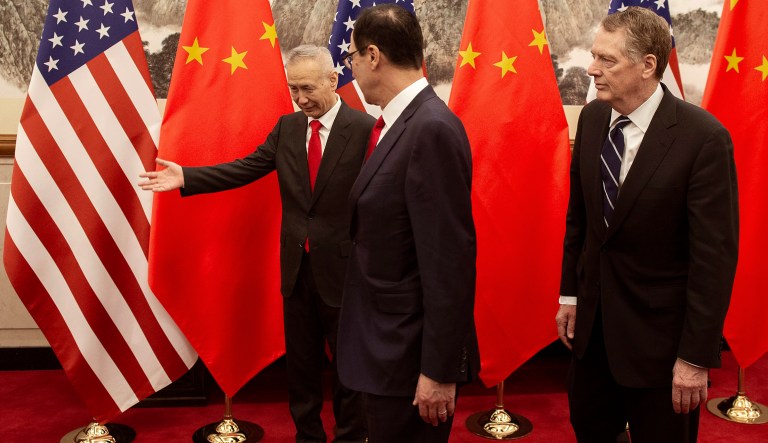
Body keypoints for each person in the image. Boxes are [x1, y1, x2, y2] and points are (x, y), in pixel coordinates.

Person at [139, 45, 373, 443]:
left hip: (345, 272)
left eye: (307, 88)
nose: (300, 99)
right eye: (293, 89)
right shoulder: (288, 128)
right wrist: (188, 178)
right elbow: (247, 167)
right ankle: (308, 437)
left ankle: (351, 437)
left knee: (350, 368)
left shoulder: (366, 129)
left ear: (333, 80)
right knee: (301, 369)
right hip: (296, 272)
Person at [555, 7, 738, 442]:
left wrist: (695, 358)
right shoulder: (595, 117)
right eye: (594, 55)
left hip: (662, 353)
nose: (592, 69)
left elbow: (713, 260)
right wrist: (570, 294)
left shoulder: (704, 139)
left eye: (607, 60)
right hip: (592, 343)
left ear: (648, 65)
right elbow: (579, 222)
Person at [335, 4, 479, 442]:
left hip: (409, 360)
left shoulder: (430, 128)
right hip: (384, 352)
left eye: (353, 57)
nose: (352, 67)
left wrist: (437, 372)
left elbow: (448, 266)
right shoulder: (397, 124)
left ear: (373, 55)